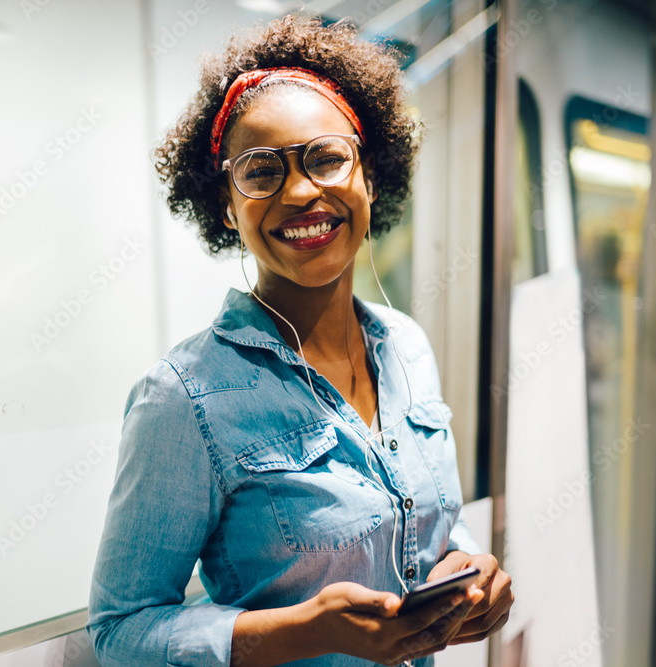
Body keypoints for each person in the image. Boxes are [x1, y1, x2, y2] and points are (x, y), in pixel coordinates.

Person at [88, 13, 513, 667]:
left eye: (326, 157)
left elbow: (425, 531)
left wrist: (467, 570)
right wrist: (306, 629)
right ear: (227, 204)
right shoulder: (183, 398)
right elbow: (121, 631)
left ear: (368, 173)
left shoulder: (407, 347)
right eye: (261, 171)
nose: (301, 191)